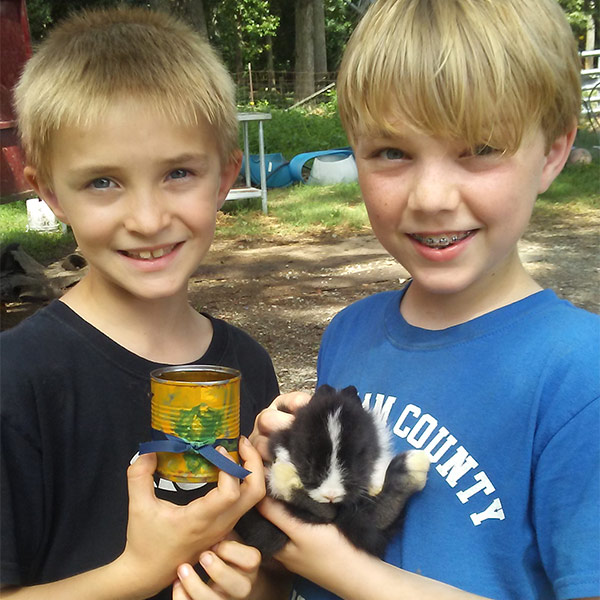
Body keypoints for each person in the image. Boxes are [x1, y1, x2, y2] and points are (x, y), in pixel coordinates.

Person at [251, 0, 600, 598]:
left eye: (481, 148)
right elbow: (323, 544)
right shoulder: (349, 332)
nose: (432, 197)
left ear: (551, 153)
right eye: (392, 152)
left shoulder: (580, 376)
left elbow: (337, 565)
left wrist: (337, 567)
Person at [0, 7, 281, 599]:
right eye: (103, 181)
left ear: (225, 176)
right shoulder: (17, 379)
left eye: (178, 172)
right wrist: (139, 572)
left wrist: (251, 590)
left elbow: (273, 571)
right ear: (50, 193)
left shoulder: (249, 366)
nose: (149, 219)